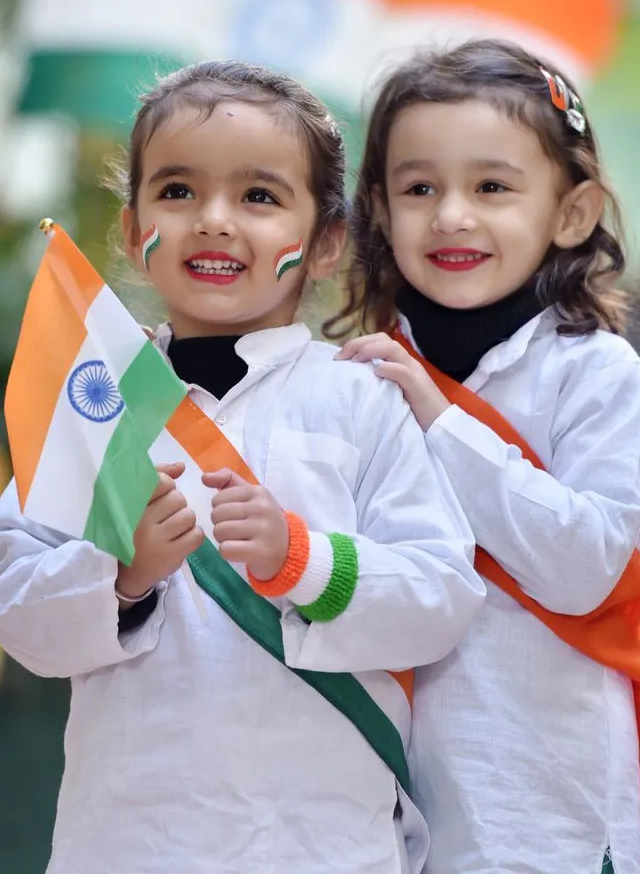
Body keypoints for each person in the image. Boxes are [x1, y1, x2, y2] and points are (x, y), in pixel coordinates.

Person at [0, 60, 485, 874]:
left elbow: (439, 599)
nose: (214, 221)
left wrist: (303, 559)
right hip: (124, 844)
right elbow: (20, 616)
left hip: (320, 844)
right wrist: (121, 577)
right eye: (178, 192)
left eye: (259, 197)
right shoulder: (92, 402)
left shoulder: (361, 399)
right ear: (130, 230)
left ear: (328, 241)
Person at [330, 39, 640, 874]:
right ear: (379, 213)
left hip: (550, 814)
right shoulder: (350, 380)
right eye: (419, 187)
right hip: (382, 818)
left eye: (492, 187)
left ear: (571, 214)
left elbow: (587, 571)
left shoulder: (597, 372)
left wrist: (438, 419)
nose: (452, 215)